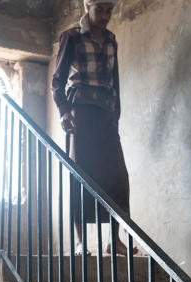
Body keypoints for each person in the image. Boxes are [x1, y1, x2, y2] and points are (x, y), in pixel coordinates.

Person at [51, 0, 134, 256]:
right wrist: (64, 111)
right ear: (88, 6)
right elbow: (57, 81)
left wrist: (115, 116)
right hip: (81, 114)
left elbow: (115, 83)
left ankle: (114, 240)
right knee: (81, 175)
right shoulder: (72, 37)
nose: (106, 16)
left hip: (106, 116)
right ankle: (80, 242)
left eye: (110, 10)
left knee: (117, 178)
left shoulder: (111, 40)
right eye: (101, 10)